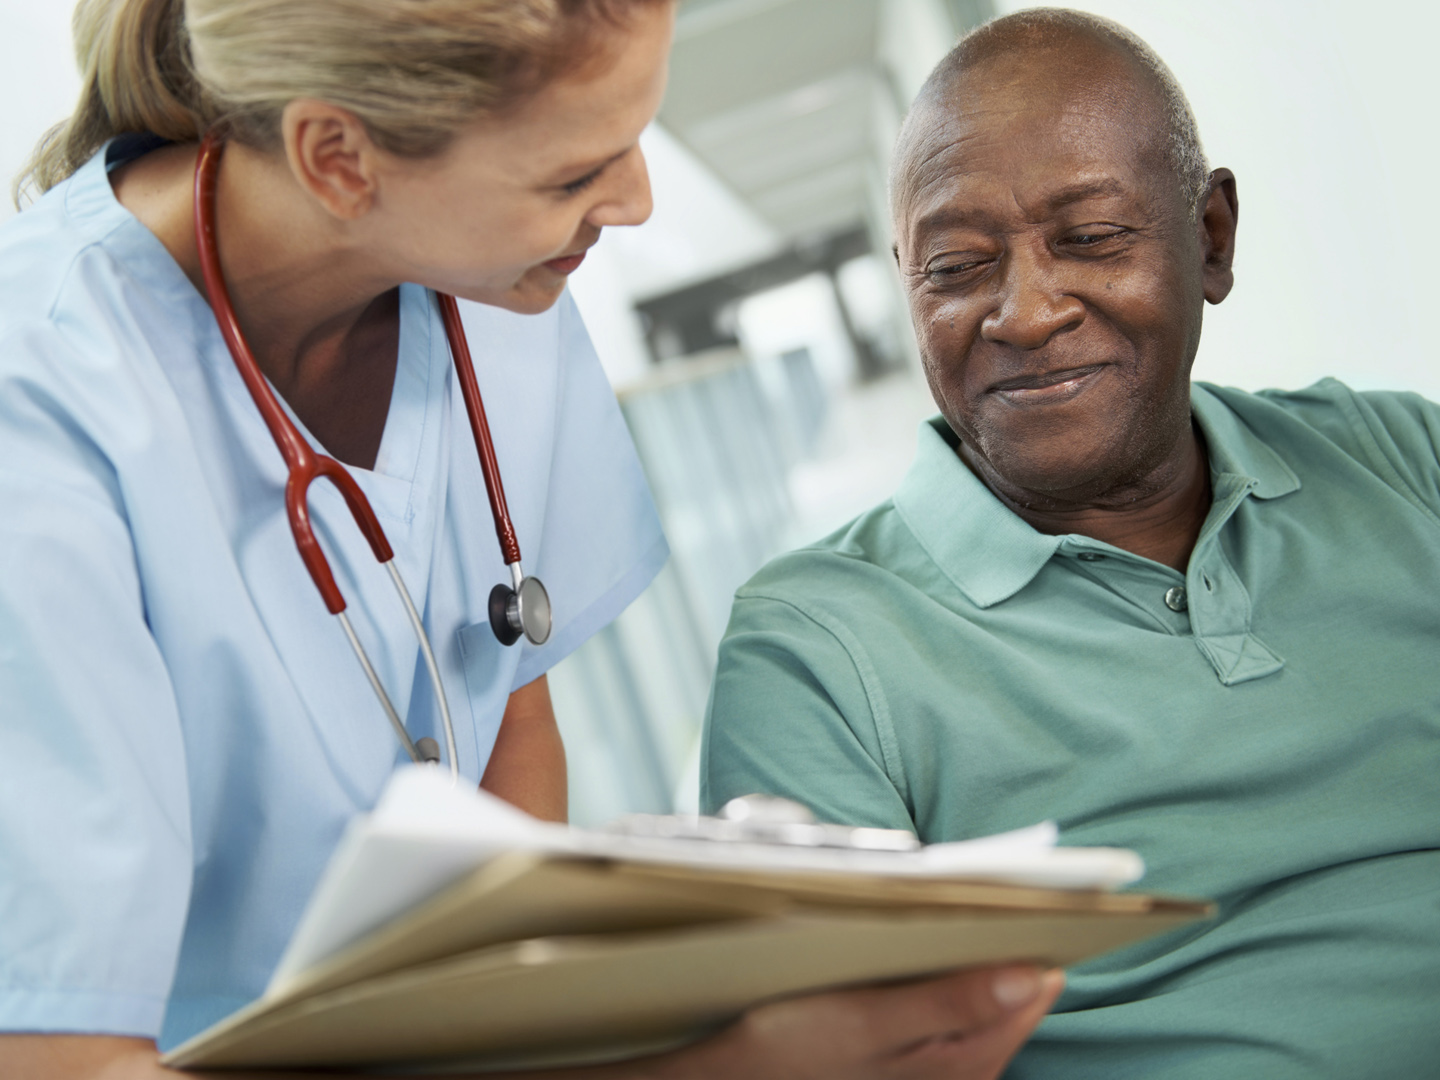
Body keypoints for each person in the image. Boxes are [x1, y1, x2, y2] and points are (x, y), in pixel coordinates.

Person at [0, 0, 1069, 1077]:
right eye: (571, 177)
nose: (635, 201)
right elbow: (64, 1058)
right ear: (338, 159)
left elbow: (512, 704)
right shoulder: (40, 408)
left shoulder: (494, 287)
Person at [703, 8, 1440, 1079]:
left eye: (1091, 239)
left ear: (1213, 239)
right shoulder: (816, 651)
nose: (1026, 310)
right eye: (957, 266)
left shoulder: (1399, 457)